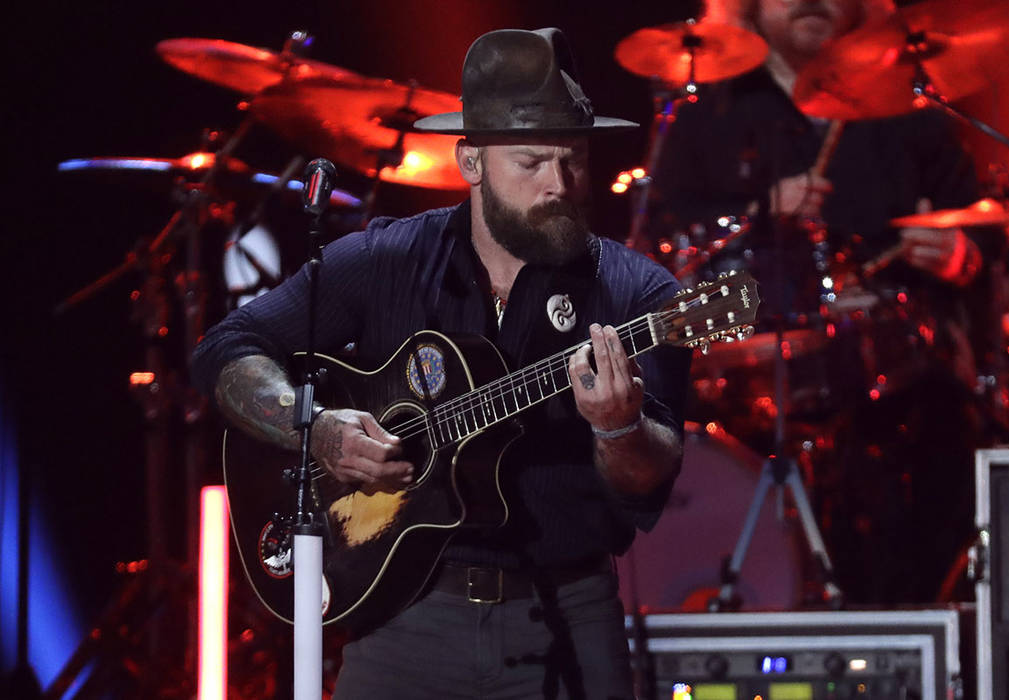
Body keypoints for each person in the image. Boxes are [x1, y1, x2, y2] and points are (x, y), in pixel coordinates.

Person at [192, 28, 691, 699]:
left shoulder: (639, 295)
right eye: (532, 162)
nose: (560, 184)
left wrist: (618, 429)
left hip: (569, 615)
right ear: (471, 162)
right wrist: (316, 427)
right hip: (403, 617)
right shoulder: (384, 260)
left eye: (573, 160)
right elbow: (226, 348)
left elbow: (647, 481)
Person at [650, 0, 989, 604]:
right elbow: (665, 245)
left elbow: (986, 216)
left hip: (897, 382)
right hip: (746, 379)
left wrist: (961, 251)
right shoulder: (704, 116)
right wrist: (756, 216)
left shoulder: (910, 108)